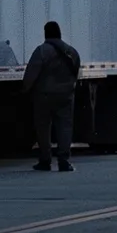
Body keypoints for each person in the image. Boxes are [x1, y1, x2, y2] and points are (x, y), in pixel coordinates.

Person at [22, 21, 81, 173]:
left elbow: (31, 73)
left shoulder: (42, 51)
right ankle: (64, 160)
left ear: (46, 33)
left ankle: (45, 159)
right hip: (65, 96)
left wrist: (25, 90)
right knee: (65, 127)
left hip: (44, 96)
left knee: (43, 128)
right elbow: (76, 73)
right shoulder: (71, 52)